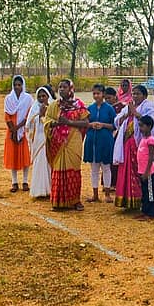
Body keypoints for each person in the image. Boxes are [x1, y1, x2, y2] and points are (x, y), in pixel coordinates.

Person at [44, 79, 89, 211]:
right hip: (57, 143)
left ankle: (75, 201)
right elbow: (47, 121)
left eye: (64, 87)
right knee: (58, 170)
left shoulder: (79, 105)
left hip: (73, 141)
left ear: (71, 89)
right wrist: (56, 123)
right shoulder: (54, 105)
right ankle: (58, 201)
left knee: (74, 169)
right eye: (60, 87)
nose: (61, 89)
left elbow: (86, 123)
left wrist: (68, 122)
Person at [113, 85, 154, 211]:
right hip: (127, 144)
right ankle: (127, 201)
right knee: (125, 170)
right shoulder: (128, 107)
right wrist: (127, 114)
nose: (135, 96)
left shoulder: (148, 107)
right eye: (133, 94)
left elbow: (151, 122)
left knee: (138, 174)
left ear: (145, 96)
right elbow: (117, 121)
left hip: (139, 145)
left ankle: (144, 205)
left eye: (138, 94)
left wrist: (136, 113)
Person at [84, 84, 116, 203]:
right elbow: (85, 124)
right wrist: (91, 125)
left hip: (105, 141)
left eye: (98, 93)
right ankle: (95, 194)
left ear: (103, 94)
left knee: (106, 168)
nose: (96, 95)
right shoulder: (89, 109)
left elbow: (114, 125)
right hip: (92, 141)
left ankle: (107, 194)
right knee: (94, 169)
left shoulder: (109, 109)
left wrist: (103, 125)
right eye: (94, 93)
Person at [3, 75, 33, 192]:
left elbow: (29, 115)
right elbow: (7, 116)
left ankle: (25, 181)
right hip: (11, 132)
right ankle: (14, 182)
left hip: (23, 131)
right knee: (13, 156)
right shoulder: (8, 99)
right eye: (15, 85)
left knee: (25, 156)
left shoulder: (28, 99)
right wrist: (13, 130)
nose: (17, 87)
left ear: (23, 85)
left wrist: (19, 128)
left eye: (19, 85)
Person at [27, 85, 54, 199]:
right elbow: (28, 125)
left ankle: (51, 190)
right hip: (38, 140)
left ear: (48, 96)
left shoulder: (53, 107)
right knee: (40, 164)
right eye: (39, 96)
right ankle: (39, 190)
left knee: (49, 164)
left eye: (44, 96)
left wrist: (46, 115)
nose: (42, 98)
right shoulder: (34, 108)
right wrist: (40, 115)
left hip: (50, 139)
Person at [135, 115, 154, 221]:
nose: (140, 128)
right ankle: (145, 211)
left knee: (149, 193)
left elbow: (151, 157)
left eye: (142, 126)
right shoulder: (144, 139)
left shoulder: (150, 140)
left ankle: (151, 213)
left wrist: (146, 172)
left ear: (149, 127)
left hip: (148, 172)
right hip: (143, 170)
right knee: (144, 192)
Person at [103, 87, 122, 192]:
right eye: (105, 98)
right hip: (107, 136)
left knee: (116, 160)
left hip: (118, 136)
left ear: (115, 97)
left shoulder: (122, 107)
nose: (107, 100)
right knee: (107, 160)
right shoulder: (104, 107)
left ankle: (115, 183)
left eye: (109, 98)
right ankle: (107, 183)